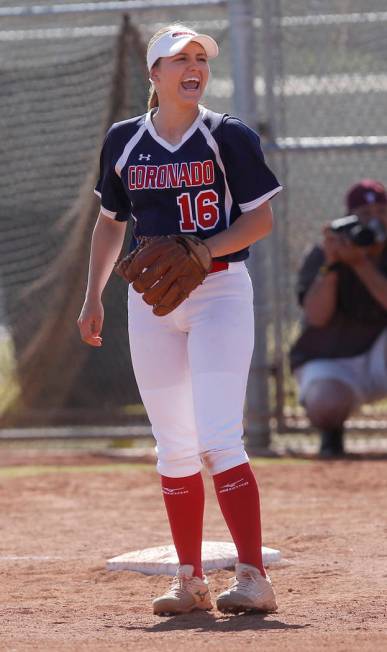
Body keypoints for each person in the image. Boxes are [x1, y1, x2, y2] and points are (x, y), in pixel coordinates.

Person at [77, 24, 282, 615]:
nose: (193, 67)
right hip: (151, 304)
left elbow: (259, 222)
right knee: (173, 445)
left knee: (218, 436)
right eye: (178, 59)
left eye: (200, 58)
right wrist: (92, 296)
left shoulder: (227, 136)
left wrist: (203, 249)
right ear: (154, 75)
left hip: (219, 293)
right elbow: (112, 222)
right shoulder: (124, 140)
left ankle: (252, 577)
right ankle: (189, 580)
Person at [290, 179, 387, 458]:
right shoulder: (324, 254)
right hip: (334, 358)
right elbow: (316, 318)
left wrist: (361, 264)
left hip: (380, 355)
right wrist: (333, 265)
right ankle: (332, 436)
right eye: (365, 214)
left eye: (381, 211)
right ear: (349, 219)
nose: (375, 220)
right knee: (325, 403)